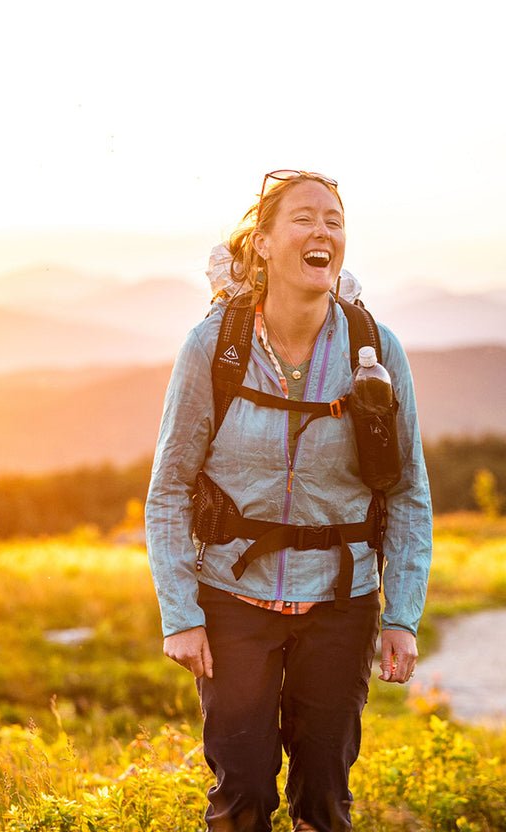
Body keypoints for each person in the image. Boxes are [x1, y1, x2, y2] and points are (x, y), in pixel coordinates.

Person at [145, 170, 432, 832]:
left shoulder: (375, 352)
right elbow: (168, 490)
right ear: (265, 244)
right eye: (303, 218)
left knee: (324, 798)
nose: (322, 231)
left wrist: (403, 614)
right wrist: (179, 612)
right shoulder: (215, 347)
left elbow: (410, 489)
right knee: (242, 792)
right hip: (231, 603)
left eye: (334, 221)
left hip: (341, 603)